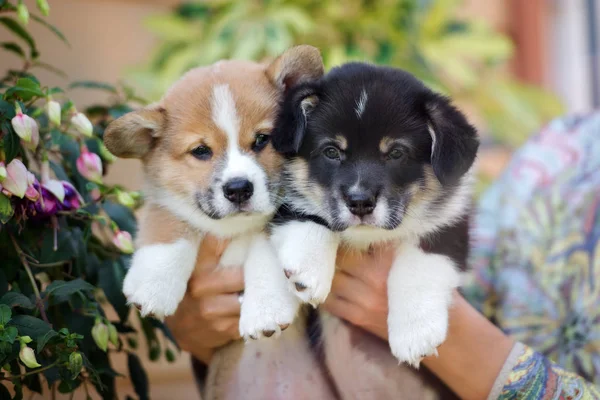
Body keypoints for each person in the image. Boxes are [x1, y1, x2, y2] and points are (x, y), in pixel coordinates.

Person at [166, 112, 600, 399]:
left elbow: (441, 312)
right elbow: (471, 273)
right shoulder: (563, 142)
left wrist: (442, 334)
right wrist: (218, 328)